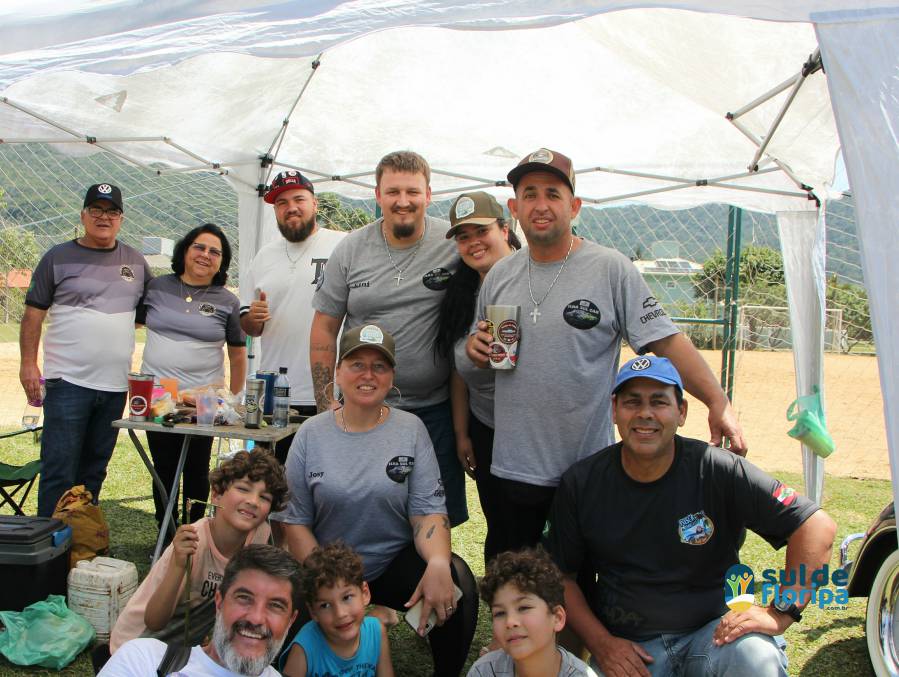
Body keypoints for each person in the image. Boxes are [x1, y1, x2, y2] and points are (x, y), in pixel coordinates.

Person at [466, 148, 747, 554]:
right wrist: (472, 351)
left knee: (583, 584)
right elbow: (482, 362)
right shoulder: (499, 276)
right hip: (515, 466)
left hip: (588, 468)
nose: (540, 205)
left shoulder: (611, 269)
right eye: (529, 194)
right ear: (514, 207)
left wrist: (717, 401)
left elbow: (665, 341)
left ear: (574, 206)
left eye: (553, 194)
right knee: (514, 584)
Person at [543, 356, 837, 677]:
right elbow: (561, 576)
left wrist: (781, 612)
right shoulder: (583, 482)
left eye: (659, 402)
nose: (645, 413)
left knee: (757, 659)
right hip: (632, 649)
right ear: (614, 410)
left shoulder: (717, 469)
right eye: (632, 402)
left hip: (716, 636)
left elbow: (816, 526)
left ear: (681, 412)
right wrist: (602, 645)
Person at [275, 324, 478, 677]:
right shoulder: (311, 434)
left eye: (379, 366)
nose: (368, 375)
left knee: (457, 581)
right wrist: (331, 581)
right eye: (357, 364)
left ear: (392, 376)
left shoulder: (411, 429)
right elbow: (295, 521)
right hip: (324, 566)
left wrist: (438, 564)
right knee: (285, 627)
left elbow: (428, 512)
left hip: (389, 562)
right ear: (338, 372)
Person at [309, 150, 467, 527]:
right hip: (363, 409)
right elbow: (324, 328)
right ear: (377, 195)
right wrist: (324, 400)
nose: (403, 201)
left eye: (412, 191)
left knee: (435, 516)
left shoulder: (452, 246)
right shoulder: (351, 248)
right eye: (392, 191)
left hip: (434, 411)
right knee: (363, 511)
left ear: (429, 195)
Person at [20, 183, 151, 517]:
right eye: (96, 210)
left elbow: (147, 315)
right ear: (83, 216)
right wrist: (28, 365)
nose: (103, 217)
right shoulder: (56, 257)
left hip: (114, 388)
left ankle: (81, 546)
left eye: (111, 211)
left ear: (121, 218)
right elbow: (33, 313)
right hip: (67, 384)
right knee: (59, 471)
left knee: (93, 473)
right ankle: (49, 554)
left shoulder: (136, 263)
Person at [109, 451, 287, 655]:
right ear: (216, 494)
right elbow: (154, 621)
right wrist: (178, 564)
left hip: (184, 651)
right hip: (137, 646)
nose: (253, 501)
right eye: (243, 489)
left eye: (264, 497)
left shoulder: (260, 536)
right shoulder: (193, 544)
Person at [138, 223, 246, 528]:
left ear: (222, 263)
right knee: (164, 468)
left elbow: (237, 356)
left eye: (215, 252)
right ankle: (166, 535)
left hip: (206, 397)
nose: (205, 255)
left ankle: (196, 533)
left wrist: (234, 402)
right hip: (159, 394)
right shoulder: (156, 287)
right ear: (185, 250)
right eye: (199, 247)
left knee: (198, 469)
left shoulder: (228, 301)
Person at [435, 191, 520, 565]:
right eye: (462, 236)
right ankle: (506, 608)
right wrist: (462, 433)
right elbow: (459, 373)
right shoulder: (462, 292)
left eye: (480, 231)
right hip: (487, 428)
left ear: (504, 228)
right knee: (501, 527)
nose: (472, 243)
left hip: (538, 429)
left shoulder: (530, 277)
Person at [240, 170, 346, 464]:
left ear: (315, 204)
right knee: (273, 486)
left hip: (330, 392)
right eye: (282, 203)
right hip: (275, 393)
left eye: (299, 199)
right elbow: (249, 326)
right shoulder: (264, 257)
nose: (291, 207)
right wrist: (254, 319)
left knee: (325, 484)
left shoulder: (342, 245)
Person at [99, 544, 300, 677]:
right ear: (219, 601)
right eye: (244, 598)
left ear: (291, 620)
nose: (256, 619)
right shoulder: (144, 661)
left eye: (275, 606)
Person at [468, 548, 597, 677]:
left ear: (557, 618)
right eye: (500, 613)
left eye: (524, 608)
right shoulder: (484, 671)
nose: (510, 622)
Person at [281, 541, 394, 677]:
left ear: (365, 593)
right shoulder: (304, 648)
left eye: (347, 597)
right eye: (325, 605)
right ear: (313, 612)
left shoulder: (376, 632)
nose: (340, 614)